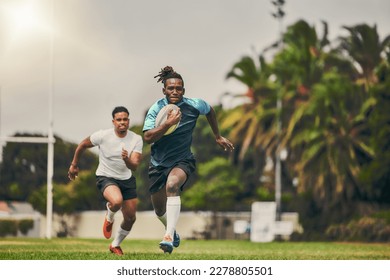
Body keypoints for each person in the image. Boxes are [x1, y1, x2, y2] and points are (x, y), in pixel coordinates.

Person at [142, 66, 234, 254]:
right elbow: (148, 137)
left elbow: (210, 110)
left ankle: (167, 237)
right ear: (164, 90)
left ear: (183, 90)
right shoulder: (156, 109)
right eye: (171, 88)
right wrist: (168, 124)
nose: (175, 91)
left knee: (172, 185)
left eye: (179, 88)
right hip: (158, 164)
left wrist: (217, 136)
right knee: (159, 210)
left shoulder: (194, 105)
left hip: (182, 160)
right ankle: (172, 231)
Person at [68, 106, 143, 256]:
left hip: (127, 179)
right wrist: (74, 165)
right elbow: (82, 145)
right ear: (113, 121)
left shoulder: (136, 139)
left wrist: (126, 159)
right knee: (116, 201)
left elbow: (134, 165)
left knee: (130, 218)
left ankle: (115, 245)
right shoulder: (102, 136)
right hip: (106, 176)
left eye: (125, 119)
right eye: (119, 120)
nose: (122, 122)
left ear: (128, 121)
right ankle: (110, 216)